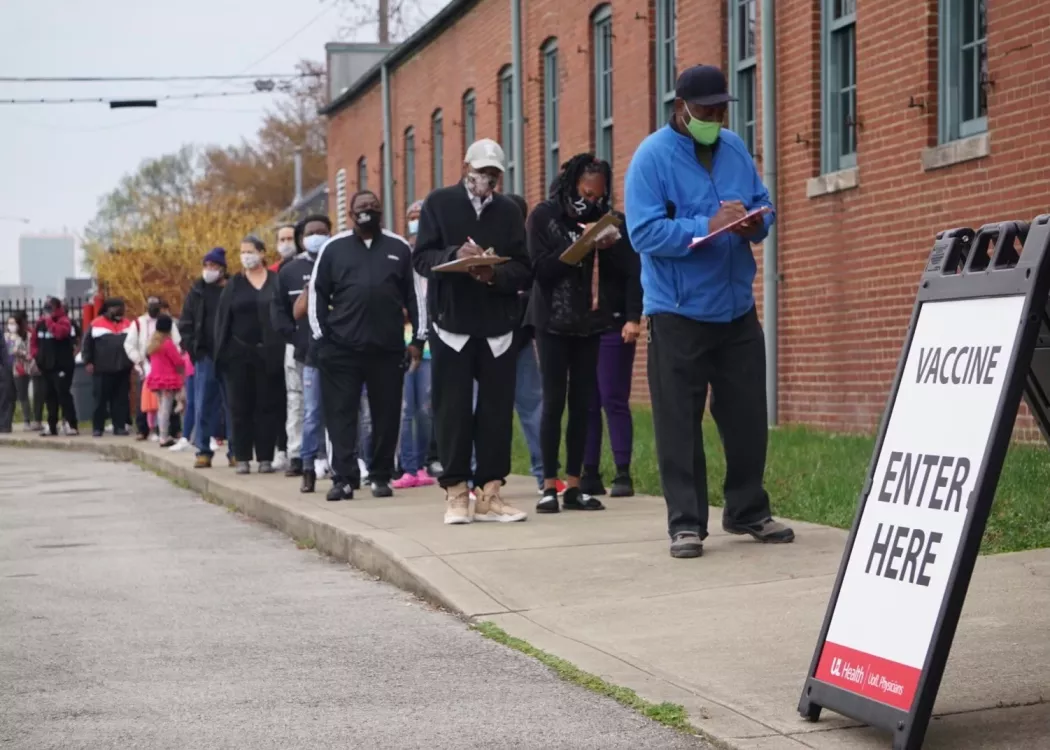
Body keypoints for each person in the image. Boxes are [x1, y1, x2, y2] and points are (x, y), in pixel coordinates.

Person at [624, 64, 795, 559]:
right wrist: (707, 225)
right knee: (679, 422)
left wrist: (754, 224)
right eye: (707, 110)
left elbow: (765, 205)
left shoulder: (735, 148)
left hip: (736, 307)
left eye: (722, 108)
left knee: (746, 417)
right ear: (681, 108)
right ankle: (686, 524)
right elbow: (644, 233)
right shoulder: (651, 159)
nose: (716, 117)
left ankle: (747, 510)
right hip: (677, 311)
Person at [412, 138, 532, 525]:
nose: (487, 179)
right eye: (481, 171)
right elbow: (421, 257)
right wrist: (454, 256)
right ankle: (456, 491)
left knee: (496, 412)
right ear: (466, 167)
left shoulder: (510, 211)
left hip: (497, 325)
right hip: (452, 325)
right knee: (453, 410)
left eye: (494, 173)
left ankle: (490, 492)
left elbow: (523, 267)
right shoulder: (439, 203)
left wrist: (493, 273)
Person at [528, 153, 642, 514]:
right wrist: (579, 246)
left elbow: (631, 269)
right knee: (554, 401)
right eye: (586, 192)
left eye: (598, 195)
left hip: (591, 322)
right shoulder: (545, 216)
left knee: (583, 404)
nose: (591, 200)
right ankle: (549, 484)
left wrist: (607, 245)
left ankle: (576, 485)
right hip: (552, 322)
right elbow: (541, 270)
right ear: (572, 184)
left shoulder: (610, 222)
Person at [308, 190, 421, 501]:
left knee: (387, 416)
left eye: (372, 206)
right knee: (341, 415)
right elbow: (317, 294)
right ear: (350, 214)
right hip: (341, 349)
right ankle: (344, 478)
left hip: (386, 349)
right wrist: (322, 338)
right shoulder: (333, 248)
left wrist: (418, 339)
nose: (366, 211)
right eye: (361, 207)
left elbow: (414, 296)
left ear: (381, 211)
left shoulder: (398, 247)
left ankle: (381, 475)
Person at [215, 236, 286, 474]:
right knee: (239, 405)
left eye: (250, 251)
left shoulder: (276, 281)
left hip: (269, 352)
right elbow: (223, 320)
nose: (246, 256)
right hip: (238, 353)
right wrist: (222, 352)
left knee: (268, 405)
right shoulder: (234, 284)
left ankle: (266, 456)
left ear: (262, 253)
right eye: (242, 251)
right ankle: (242, 455)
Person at [392, 200, 437, 490]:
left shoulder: (434, 254)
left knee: (426, 408)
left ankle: (424, 462)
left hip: (432, 343)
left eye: (421, 218)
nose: (415, 223)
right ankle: (407, 466)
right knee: (405, 409)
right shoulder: (399, 257)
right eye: (411, 218)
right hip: (404, 343)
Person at [180, 248, 235, 468]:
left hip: (230, 355)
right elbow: (186, 323)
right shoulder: (197, 291)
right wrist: (194, 348)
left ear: (222, 269)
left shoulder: (232, 289)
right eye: (207, 266)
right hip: (205, 356)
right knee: (203, 403)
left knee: (233, 405)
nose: (210, 270)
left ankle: (236, 450)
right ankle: (203, 450)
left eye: (214, 266)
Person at [271, 222, 312, 478]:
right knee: (296, 401)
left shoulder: (331, 262)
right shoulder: (289, 270)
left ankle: (323, 454)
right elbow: (278, 310)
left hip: (329, 345)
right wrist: (293, 336)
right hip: (296, 347)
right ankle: (296, 453)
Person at [125, 296, 182, 440]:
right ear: (146, 307)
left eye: (156, 306)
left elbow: (177, 342)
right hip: (144, 366)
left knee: (167, 403)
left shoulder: (167, 322)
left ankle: (172, 429)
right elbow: (129, 344)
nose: (153, 308)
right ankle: (143, 429)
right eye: (151, 306)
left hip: (165, 367)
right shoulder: (138, 323)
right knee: (144, 400)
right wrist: (138, 360)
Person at [80, 297, 135, 437]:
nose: (120, 311)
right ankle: (98, 428)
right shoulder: (96, 324)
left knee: (121, 399)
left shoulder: (128, 324)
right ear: (108, 309)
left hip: (123, 368)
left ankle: (119, 427)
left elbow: (134, 343)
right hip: (102, 369)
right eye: (117, 308)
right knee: (100, 400)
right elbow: (86, 344)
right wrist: (88, 361)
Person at [30, 298, 77, 437]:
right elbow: (34, 342)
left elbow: (59, 333)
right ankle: (51, 426)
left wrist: (50, 320)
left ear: (57, 307)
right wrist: (36, 357)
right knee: (49, 396)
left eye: (50, 307)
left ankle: (70, 424)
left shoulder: (65, 321)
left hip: (62, 365)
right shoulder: (40, 324)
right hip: (46, 366)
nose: (47, 309)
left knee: (63, 394)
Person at [144, 314, 185, 447]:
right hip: (168, 379)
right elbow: (177, 360)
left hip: (156, 379)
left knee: (161, 407)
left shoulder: (152, 343)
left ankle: (162, 434)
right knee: (166, 408)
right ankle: (164, 436)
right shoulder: (167, 343)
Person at [5, 314, 36, 431]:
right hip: (8, 369)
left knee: (22, 396)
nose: (11, 326)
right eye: (9, 323)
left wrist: (19, 352)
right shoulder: (6, 337)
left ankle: (27, 420)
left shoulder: (27, 336)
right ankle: (7, 421)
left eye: (13, 323)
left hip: (20, 369)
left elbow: (28, 353)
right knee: (8, 396)